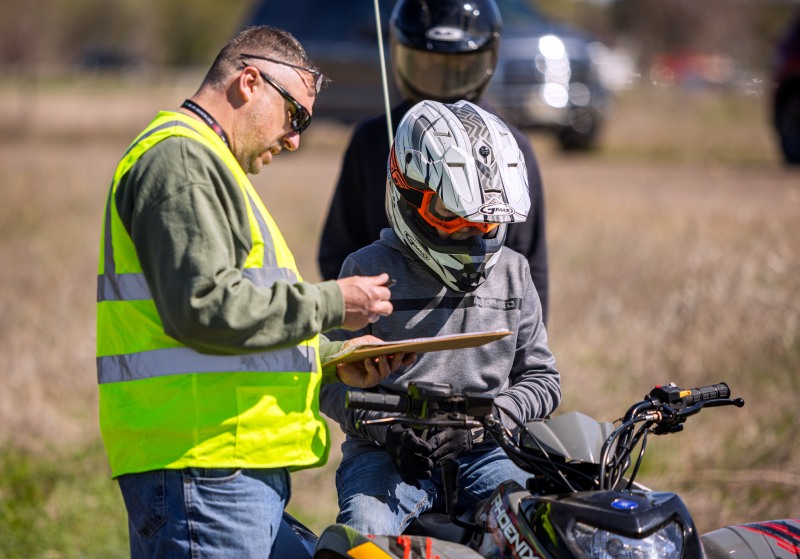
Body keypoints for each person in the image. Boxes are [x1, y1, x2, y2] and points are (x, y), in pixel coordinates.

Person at [95, 25, 414, 558]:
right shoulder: (182, 162)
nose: (295, 140)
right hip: (205, 474)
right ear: (249, 82)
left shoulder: (209, 167)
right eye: (297, 117)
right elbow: (205, 308)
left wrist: (333, 357)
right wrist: (335, 303)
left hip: (222, 473)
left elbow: (234, 322)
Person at [319, 99, 561, 535]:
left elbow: (543, 380)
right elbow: (331, 383)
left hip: (488, 451)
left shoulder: (513, 272)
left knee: (541, 526)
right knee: (363, 533)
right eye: (452, 217)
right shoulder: (365, 270)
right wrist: (386, 432)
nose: (473, 232)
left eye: (486, 220)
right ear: (410, 195)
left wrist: (486, 424)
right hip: (385, 455)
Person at [317, 0, 550, 323]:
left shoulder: (511, 147)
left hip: (481, 336)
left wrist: (518, 348)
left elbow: (529, 264)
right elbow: (338, 252)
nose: (442, 81)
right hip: (387, 333)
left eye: (458, 68)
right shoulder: (372, 139)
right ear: (400, 53)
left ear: (487, 59)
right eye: (427, 64)